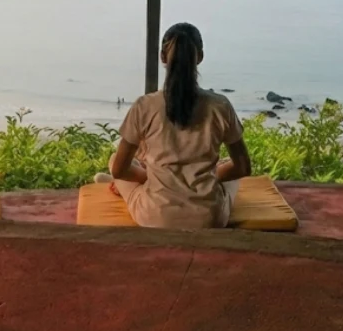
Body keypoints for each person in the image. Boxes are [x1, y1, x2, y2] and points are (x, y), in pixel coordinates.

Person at [95, 23, 252, 229]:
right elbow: (243, 167)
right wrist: (213, 174)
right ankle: (174, 178)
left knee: (116, 161)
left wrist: (151, 177)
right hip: (207, 218)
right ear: (200, 56)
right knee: (230, 171)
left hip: (155, 215)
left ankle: (132, 184)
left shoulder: (145, 106)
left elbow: (120, 169)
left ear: (162, 57)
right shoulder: (220, 105)